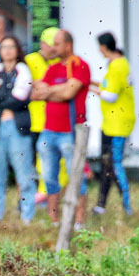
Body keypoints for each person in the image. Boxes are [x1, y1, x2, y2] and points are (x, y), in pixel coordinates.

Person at [32, 28, 91, 229]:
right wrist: (59, 89)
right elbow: (36, 94)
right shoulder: (54, 68)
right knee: (49, 176)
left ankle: (79, 220)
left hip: (71, 131)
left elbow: (69, 93)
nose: (53, 48)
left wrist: (49, 91)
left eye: (57, 44)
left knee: (76, 175)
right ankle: (54, 219)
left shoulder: (80, 65)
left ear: (68, 45)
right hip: (49, 130)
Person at [0, 34, 37, 223]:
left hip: (17, 128)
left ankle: (27, 217)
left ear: (17, 50)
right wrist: (6, 91)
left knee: (24, 175)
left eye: (11, 47)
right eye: (4, 47)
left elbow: (19, 98)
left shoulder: (23, 70)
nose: (8, 51)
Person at [90, 31, 134, 216]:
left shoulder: (117, 65)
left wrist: (90, 89)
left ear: (103, 47)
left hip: (118, 123)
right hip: (111, 122)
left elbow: (111, 95)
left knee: (114, 164)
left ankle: (127, 206)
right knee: (106, 165)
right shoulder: (119, 64)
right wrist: (93, 83)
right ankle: (101, 205)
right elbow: (108, 86)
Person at [24, 30, 59, 217]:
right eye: (52, 46)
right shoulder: (30, 60)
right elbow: (27, 87)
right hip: (32, 122)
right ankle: (26, 201)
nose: (55, 50)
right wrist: (48, 87)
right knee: (28, 164)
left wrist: (43, 86)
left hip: (51, 123)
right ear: (43, 44)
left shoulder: (58, 62)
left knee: (48, 163)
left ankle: (44, 198)